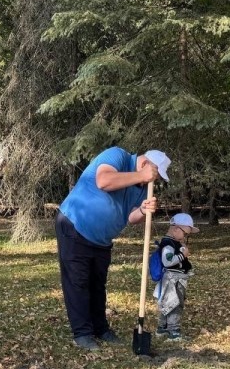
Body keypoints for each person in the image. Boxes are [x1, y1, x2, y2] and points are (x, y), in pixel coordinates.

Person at [56, 147, 169, 351]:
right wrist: (140, 176)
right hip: (75, 224)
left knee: (98, 284)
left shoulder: (141, 187)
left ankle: (101, 329)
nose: (153, 181)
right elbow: (104, 181)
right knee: (78, 282)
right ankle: (82, 333)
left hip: (102, 239)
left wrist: (143, 210)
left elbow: (131, 218)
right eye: (154, 175)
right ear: (145, 165)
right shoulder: (117, 156)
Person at [154, 213, 197, 341]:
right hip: (173, 279)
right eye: (185, 234)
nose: (185, 237)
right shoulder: (169, 244)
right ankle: (174, 331)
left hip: (176, 278)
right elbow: (167, 261)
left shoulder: (174, 242)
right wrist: (182, 255)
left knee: (167, 302)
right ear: (176, 229)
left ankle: (163, 328)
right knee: (174, 303)